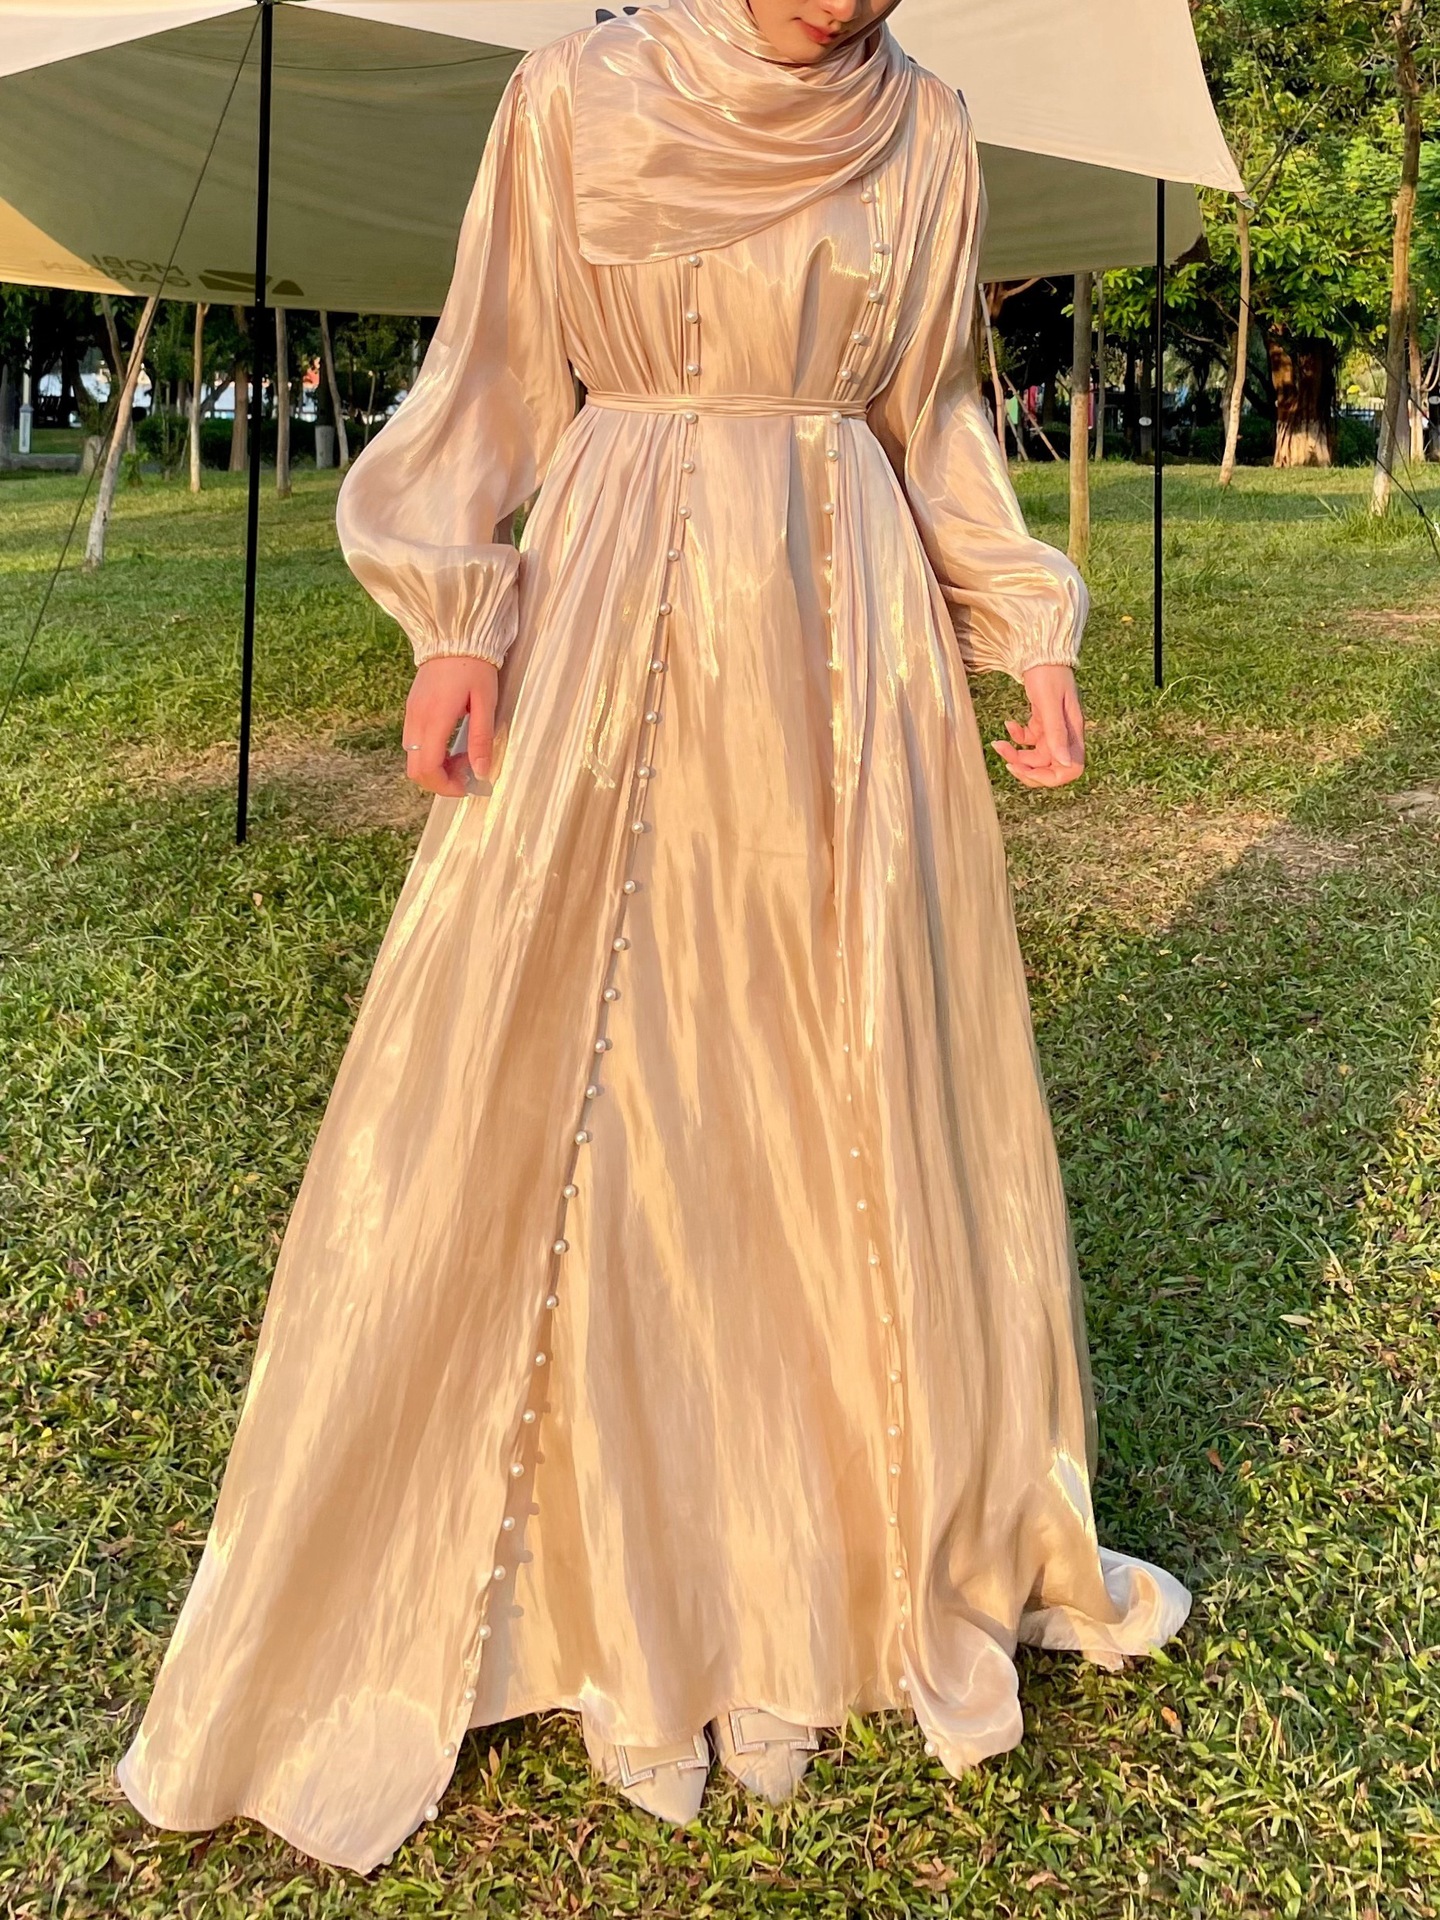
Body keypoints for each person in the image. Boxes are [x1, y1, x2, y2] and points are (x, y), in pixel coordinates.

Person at [117, 0, 1190, 1872]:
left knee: (828, 1074)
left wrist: (1026, 622)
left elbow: (932, 413)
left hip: (851, 636)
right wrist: (456, 609)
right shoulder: (576, 98)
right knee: (608, 1071)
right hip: (622, 603)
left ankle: (820, 1576)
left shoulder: (927, 129)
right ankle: (619, 1591)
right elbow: (490, 367)